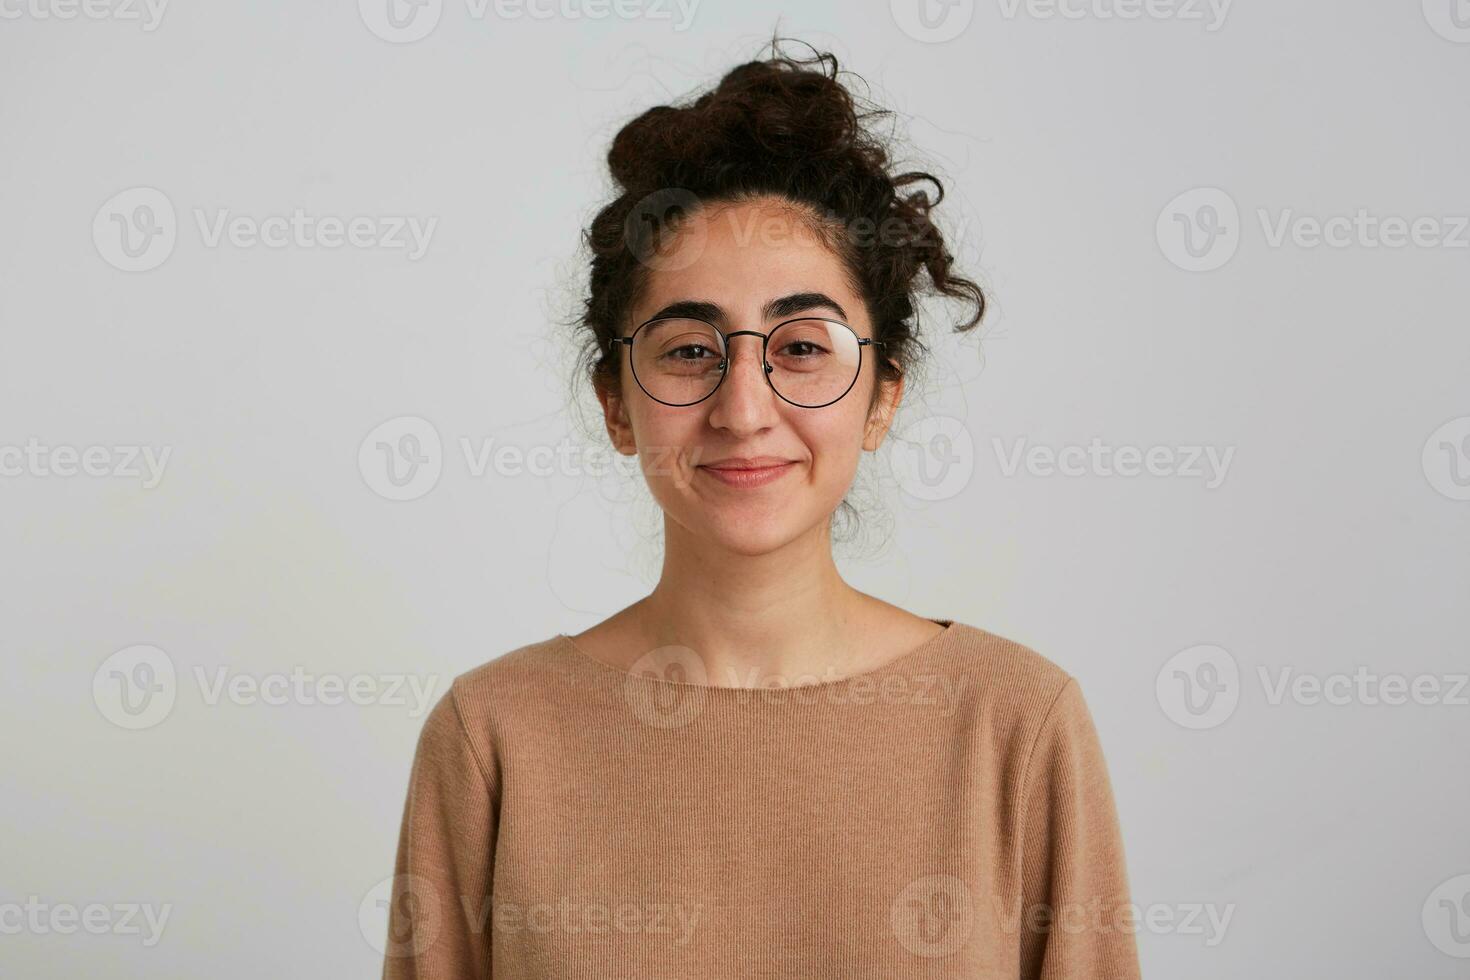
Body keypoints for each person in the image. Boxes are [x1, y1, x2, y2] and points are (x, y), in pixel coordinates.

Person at [381, 38, 1141, 979]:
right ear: (617, 403)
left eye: (804, 347)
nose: (744, 409)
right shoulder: (494, 735)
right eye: (691, 349)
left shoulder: (1016, 725)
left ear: (884, 396)